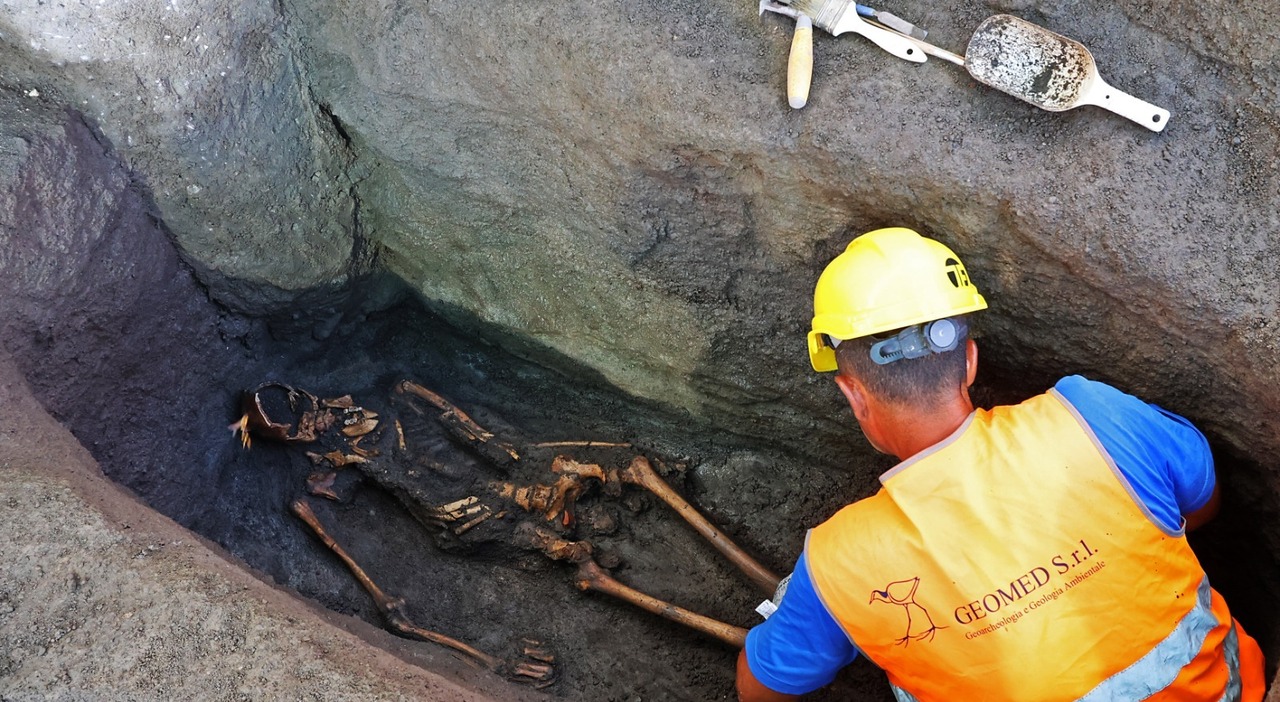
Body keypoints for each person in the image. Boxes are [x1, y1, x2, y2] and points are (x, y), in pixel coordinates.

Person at [736, 227, 1265, 701]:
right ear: (969, 361)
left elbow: (759, 691)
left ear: (854, 396)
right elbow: (1201, 506)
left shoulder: (840, 562)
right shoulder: (1095, 417)